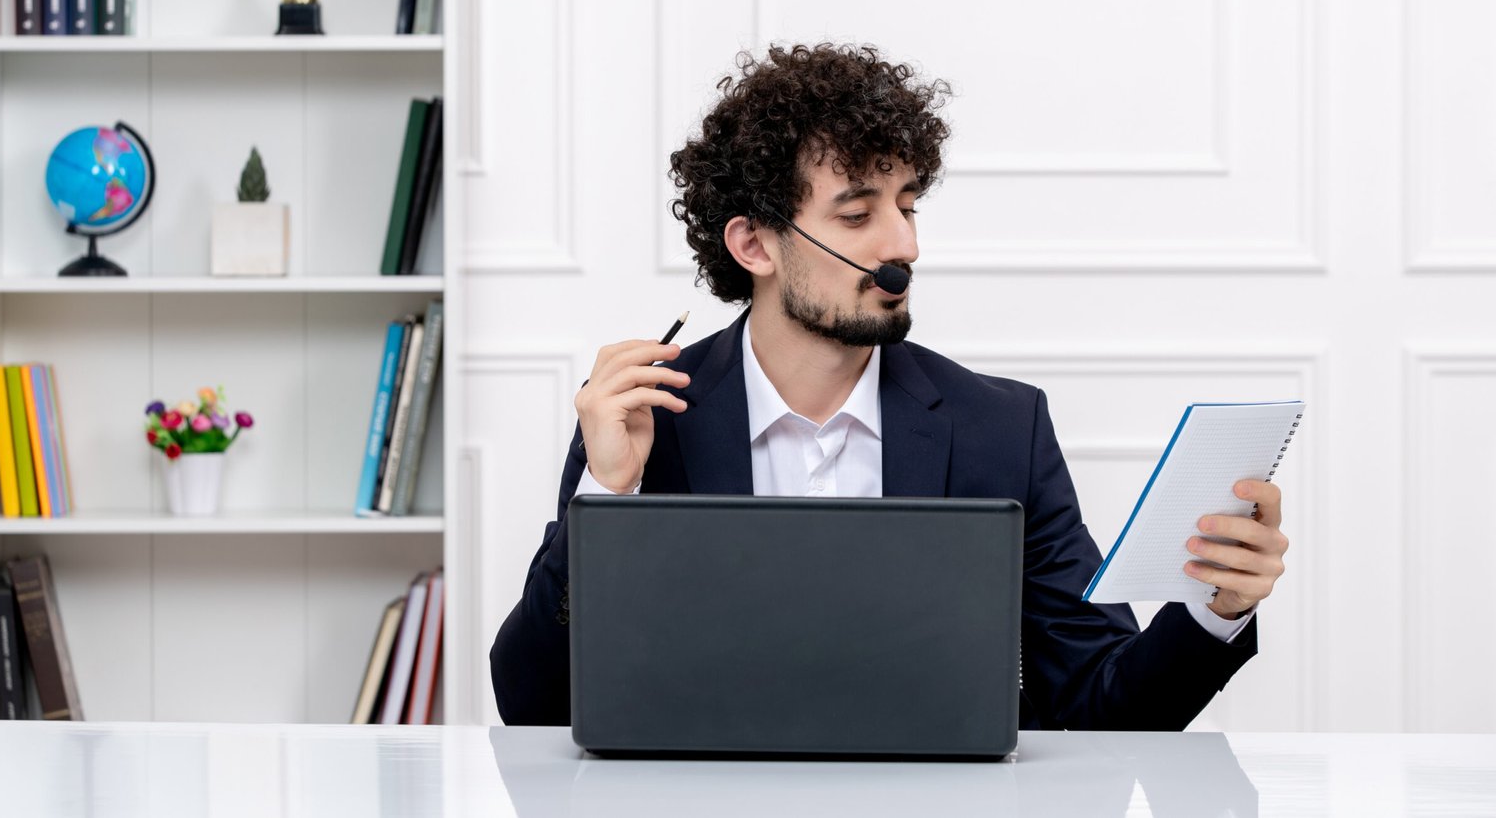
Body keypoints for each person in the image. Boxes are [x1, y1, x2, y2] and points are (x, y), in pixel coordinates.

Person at [490, 42, 1289, 729]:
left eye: (907, 205)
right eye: (856, 213)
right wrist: (605, 498)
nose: (902, 243)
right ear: (755, 243)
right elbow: (531, 703)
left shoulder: (999, 428)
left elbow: (1097, 702)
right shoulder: (644, 414)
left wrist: (1214, 613)